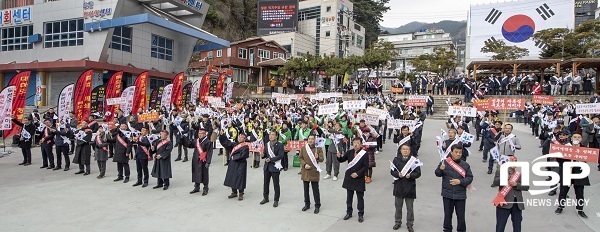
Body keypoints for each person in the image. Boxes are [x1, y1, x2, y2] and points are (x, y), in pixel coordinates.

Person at [435, 144, 474, 232]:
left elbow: (470, 178)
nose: (458, 154)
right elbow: (437, 174)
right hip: (447, 194)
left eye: (460, 152)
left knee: (461, 216)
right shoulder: (444, 162)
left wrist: (460, 181)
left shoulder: (465, 165)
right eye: (456, 152)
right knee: (448, 215)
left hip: (460, 195)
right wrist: (440, 169)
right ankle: (447, 229)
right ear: (451, 152)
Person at [554, 132, 590, 218]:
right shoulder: (566, 148)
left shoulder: (584, 149)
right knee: (563, 191)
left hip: (579, 172)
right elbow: (559, 159)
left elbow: (587, 159)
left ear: (581, 139)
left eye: (578, 137)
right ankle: (560, 206)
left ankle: (580, 209)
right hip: (567, 171)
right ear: (571, 138)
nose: (576, 139)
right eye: (575, 137)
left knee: (579, 192)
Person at [337, 137, 369, 223]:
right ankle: (349, 212)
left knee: (360, 197)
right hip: (350, 177)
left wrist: (358, 173)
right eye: (354, 142)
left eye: (358, 143)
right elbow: (342, 160)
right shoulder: (350, 152)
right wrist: (339, 157)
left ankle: (360, 214)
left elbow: (366, 166)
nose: (355, 144)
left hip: (359, 178)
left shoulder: (364, 154)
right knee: (349, 197)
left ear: (361, 144)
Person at [493, 156, 528, 232]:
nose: (514, 162)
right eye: (512, 161)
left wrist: (517, 185)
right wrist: (506, 178)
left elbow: (526, 187)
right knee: (500, 226)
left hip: (517, 203)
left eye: (516, 161)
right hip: (504, 202)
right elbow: (495, 182)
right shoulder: (501, 171)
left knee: (517, 226)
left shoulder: (519, 174)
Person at [391, 144, 421, 231]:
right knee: (398, 207)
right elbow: (392, 171)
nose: (405, 151)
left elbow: (418, 173)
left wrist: (411, 175)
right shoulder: (396, 160)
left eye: (407, 149)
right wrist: (397, 174)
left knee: (410, 208)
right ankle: (397, 222)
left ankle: (410, 224)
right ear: (400, 150)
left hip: (409, 187)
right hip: (399, 186)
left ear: (410, 151)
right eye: (403, 149)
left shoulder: (414, 161)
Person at [219, 130, 250, 201]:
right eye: (239, 136)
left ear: (244, 139)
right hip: (233, 164)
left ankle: (241, 193)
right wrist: (222, 135)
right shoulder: (234, 144)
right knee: (232, 176)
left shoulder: (245, 146)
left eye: (242, 137)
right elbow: (226, 143)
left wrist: (234, 157)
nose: (240, 138)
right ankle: (234, 192)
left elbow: (244, 155)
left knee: (240, 178)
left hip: (241, 164)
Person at [299, 134, 324, 214]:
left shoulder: (318, 149)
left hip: (314, 171)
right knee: (306, 189)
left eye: (312, 139)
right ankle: (307, 204)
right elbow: (300, 158)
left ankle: (317, 205)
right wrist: (304, 164)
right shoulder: (303, 148)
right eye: (309, 139)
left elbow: (322, 159)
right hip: (305, 171)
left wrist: (317, 157)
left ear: (315, 140)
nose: (310, 140)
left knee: (315, 189)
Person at [260, 131, 285, 207]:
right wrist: (262, 155)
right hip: (267, 167)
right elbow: (265, 154)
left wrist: (271, 159)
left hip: (275, 167)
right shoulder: (267, 144)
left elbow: (281, 155)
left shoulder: (280, 145)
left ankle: (276, 200)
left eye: (273, 135)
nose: (271, 136)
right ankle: (265, 197)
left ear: (276, 136)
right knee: (266, 183)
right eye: (270, 134)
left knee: (276, 184)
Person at [186, 129, 213, 195]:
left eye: (202, 134)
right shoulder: (196, 141)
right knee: (196, 173)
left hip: (203, 160)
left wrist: (208, 162)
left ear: (204, 134)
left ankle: (205, 188)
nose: (200, 135)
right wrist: (184, 138)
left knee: (204, 174)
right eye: (199, 134)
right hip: (195, 159)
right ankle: (196, 187)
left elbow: (209, 152)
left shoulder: (207, 142)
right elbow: (189, 145)